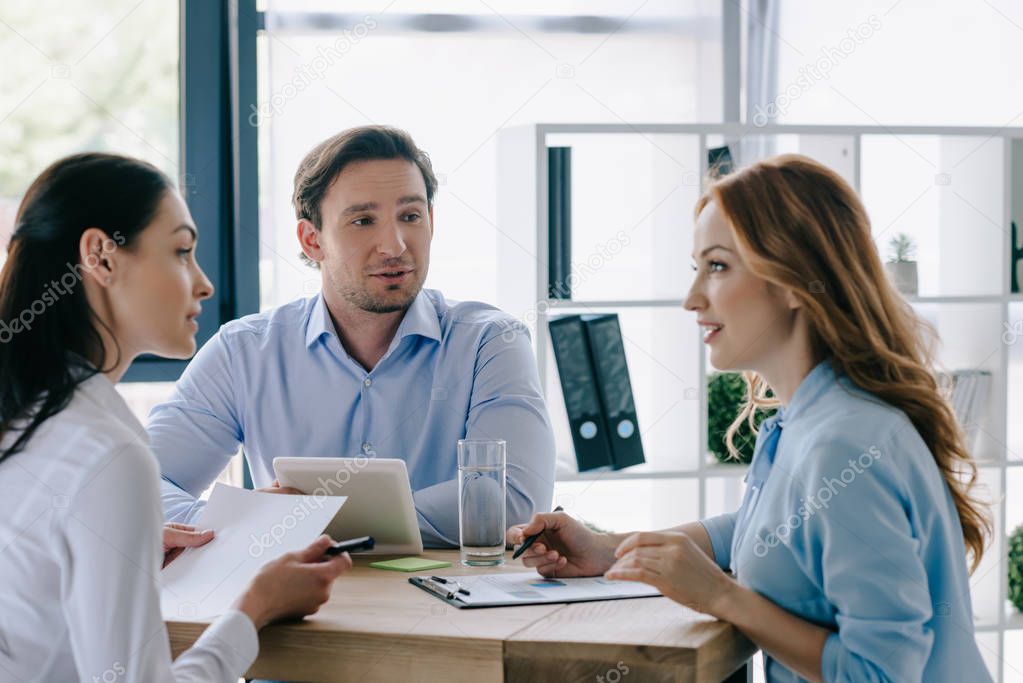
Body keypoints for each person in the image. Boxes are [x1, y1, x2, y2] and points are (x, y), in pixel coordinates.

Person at [507, 155, 992, 682]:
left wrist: (720, 595)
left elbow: (879, 674)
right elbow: (773, 530)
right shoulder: (811, 417)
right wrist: (611, 549)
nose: (692, 298)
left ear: (793, 282)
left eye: (717, 266)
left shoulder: (843, 442)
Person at [0, 153, 353, 682]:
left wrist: (132, 540)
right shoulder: (110, 452)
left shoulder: (30, 418)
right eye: (182, 251)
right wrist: (254, 610)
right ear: (101, 256)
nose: (204, 283)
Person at [150, 125, 555, 546]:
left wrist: (300, 520)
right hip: (296, 605)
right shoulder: (245, 352)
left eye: (410, 216)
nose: (395, 245)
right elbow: (140, 486)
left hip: (449, 606)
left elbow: (512, 499)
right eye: (363, 221)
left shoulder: (491, 343)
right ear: (312, 241)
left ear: (431, 223)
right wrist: (247, 519)